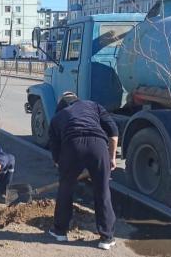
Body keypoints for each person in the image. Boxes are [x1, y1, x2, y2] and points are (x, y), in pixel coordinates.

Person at [48, 91, 119, 250]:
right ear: (77, 100)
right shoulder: (93, 105)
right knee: (102, 190)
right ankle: (106, 238)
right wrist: (111, 157)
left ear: (62, 106)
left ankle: (60, 232)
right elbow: (113, 132)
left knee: (65, 189)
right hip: (98, 146)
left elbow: (55, 150)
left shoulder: (58, 117)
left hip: (72, 146)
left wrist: (64, 167)